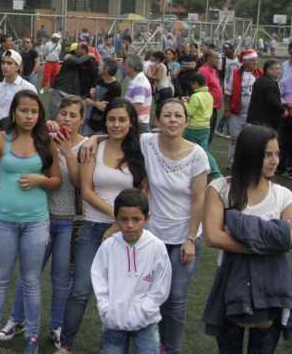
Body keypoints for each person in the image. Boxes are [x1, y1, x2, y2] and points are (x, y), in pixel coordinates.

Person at [53, 98, 145, 353]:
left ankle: (113, 346)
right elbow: (86, 191)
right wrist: (118, 218)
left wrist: (121, 225)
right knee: (80, 290)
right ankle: (66, 345)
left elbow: (142, 195)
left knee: (119, 295)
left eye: (122, 120)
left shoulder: (140, 151)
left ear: (131, 123)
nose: (116, 124)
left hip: (128, 234)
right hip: (94, 228)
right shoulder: (92, 149)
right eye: (111, 119)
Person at [203, 125, 292, 352]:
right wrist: (275, 238)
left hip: (272, 287)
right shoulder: (220, 189)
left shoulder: (283, 195)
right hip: (230, 280)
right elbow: (212, 237)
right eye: (268, 154)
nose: (275, 160)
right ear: (250, 153)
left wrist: (240, 231)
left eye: (277, 154)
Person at [0, 96, 85, 349]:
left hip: (69, 220)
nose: (67, 119)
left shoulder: (87, 145)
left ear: (82, 119)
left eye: (73, 115)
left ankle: (57, 326)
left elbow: (80, 182)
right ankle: (17, 319)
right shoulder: (43, 137)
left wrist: (68, 150)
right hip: (41, 218)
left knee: (61, 278)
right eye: (63, 114)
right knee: (29, 274)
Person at [0, 90, 62, 353]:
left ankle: (32, 338)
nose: (29, 116)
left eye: (34, 111)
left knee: (31, 282)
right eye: (24, 110)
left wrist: (40, 180)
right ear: (14, 111)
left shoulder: (46, 141)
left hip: (36, 222)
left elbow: (56, 180)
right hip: (3, 221)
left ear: (40, 115)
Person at [140, 98, 210, 354]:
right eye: (167, 115)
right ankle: (150, 343)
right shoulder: (147, 142)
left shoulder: (197, 154)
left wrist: (191, 238)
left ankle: (172, 348)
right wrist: (94, 140)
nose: (172, 120)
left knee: (176, 299)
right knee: (152, 295)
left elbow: (199, 198)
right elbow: (117, 134)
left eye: (178, 116)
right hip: (154, 235)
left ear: (186, 121)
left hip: (185, 237)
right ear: (158, 120)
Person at [91, 189, 172, 354]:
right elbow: (99, 278)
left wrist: (144, 311)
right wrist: (106, 309)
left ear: (146, 219)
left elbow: (160, 286)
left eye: (136, 219)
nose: (130, 225)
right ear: (116, 219)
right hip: (113, 322)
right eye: (124, 219)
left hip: (146, 323)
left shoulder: (157, 247)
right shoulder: (108, 247)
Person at [226, 49, 262, 166]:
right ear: (245, 62)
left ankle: (247, 163)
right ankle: (232, 162)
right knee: (234, 139)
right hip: (236, 113)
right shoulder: (235, 73)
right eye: (253, 60)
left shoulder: (260, 74)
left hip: (253, 114)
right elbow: (228, 93)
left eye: (256, 60)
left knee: (251, 140)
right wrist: (227, 109)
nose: (255, 62)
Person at [184, 73, 221, 178]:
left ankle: (213, 172)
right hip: (205, 128)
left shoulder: (195, 96)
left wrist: (184, 103)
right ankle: (215, 173)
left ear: (195, 83)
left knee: (185, 149)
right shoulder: (209, 95)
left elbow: (189, 112)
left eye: (192, 84)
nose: (191, 86)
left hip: (194, 128)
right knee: (204, 152)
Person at [0, 50, 38, 129]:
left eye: (9, 63)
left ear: (18, 67)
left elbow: (36, 113)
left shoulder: (29, 88)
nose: (5, 66)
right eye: (3, 62)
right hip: (2, 132)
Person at [198, 49, 223, 143]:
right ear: (209, 58)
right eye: (216, 58)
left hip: (213, 107)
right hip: (207, 108)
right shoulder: (203, 71)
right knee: (206, 136)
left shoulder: (214, 71)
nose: (218, 60)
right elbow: (200, 90)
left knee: (210, 135)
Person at [123, 55, 153, 134]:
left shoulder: (140, 83)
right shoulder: (136, 80)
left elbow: (136, 108)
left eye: (125, 65)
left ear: (131, 67)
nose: (123, 67)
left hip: (138, 125)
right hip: (137, 123)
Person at [216, 43, 240, 137]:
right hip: (227, 89)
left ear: (232, 49)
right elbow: (220, 75)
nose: (225, 51)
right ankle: (220, 128)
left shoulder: (239, 60)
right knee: (228, 110)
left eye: (227, 49)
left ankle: (229, 130)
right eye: (224, 49)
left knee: (235, 109)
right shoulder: (222, 60)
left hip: (237, 88)